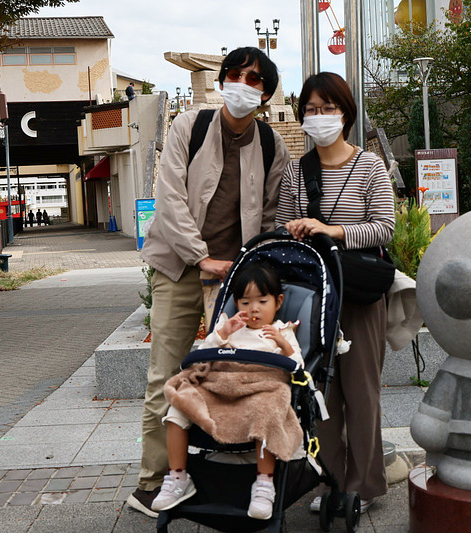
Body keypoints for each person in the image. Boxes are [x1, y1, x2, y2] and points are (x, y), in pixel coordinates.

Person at [128, 46, 290, 518]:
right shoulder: (190, 126)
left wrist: (246, 267)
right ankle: (154, 481)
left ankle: (235, 470)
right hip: (179, 268)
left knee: (238, 372)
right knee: (165, 375)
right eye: (235, 75)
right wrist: (202, 257)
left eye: (255, 80)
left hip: (235, 278)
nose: (243, 85)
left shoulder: (272, 144)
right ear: (221, 82)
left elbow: (270, 215)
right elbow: (170, 198)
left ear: (266, 93)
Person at [276, 72, 395, 513]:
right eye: (310, 109)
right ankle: (332, 483)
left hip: (358, 293)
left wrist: (333, 231)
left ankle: (364, 487)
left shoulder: (369, 166)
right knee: (319, 392)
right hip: (313, 295)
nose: (319, 116)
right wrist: (292, 230)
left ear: (346, 113)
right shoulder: (296, 172)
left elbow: (384, 227)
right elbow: (279, 228)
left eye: (328, 108)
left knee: (362, 392)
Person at [150, 261, 303, 520]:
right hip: (220, 388)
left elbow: (298, 367)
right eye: (245, 302)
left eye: (262, 301)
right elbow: (202, 357)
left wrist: (284, 346)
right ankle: (177, 477)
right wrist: (221, 334)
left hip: (259, 389)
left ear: (278, 302)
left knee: (269, 408)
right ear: (236, 303)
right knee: (179, 403)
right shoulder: (229, 326)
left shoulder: (281, 331)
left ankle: (264, 483)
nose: (253, 309)